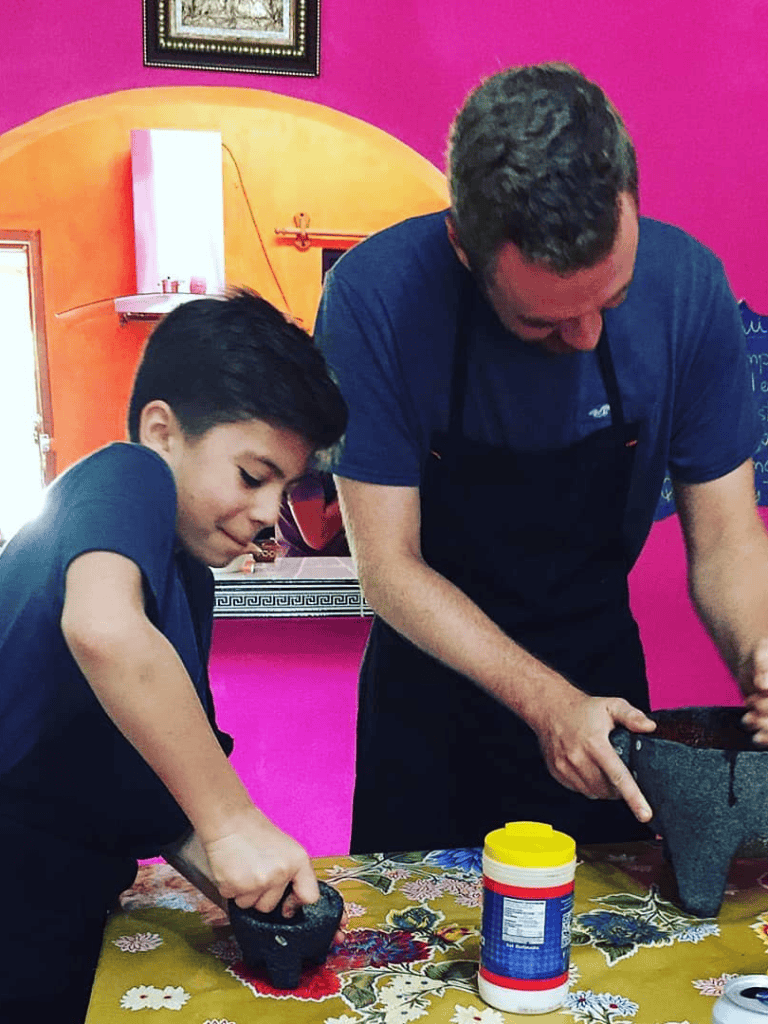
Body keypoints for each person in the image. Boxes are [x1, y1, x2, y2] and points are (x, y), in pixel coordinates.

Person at [314, 62, 768, 855]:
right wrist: (545, 702)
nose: (587, 335)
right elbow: (387, 566)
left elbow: (728, 542)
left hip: (601, 685)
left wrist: (759, 652)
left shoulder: (689, 289)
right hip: (430, 696)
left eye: (612, 301)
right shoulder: (374, 300)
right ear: (464, 245)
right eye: (542, 324)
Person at [0, 289, 348, 1022]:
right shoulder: (126, 475)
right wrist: (232, 823)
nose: (266, 513)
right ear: (163, 431)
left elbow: (155, 790)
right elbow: (102, 630)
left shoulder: (185, 577)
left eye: (284, 489)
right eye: (254, 476)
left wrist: (245, 889)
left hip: (64, 909)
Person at [276, 469, 350, 557]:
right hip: (310, 564)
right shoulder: (307, 469)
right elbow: (317, 538)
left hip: (342, 560)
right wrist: (353, 491)